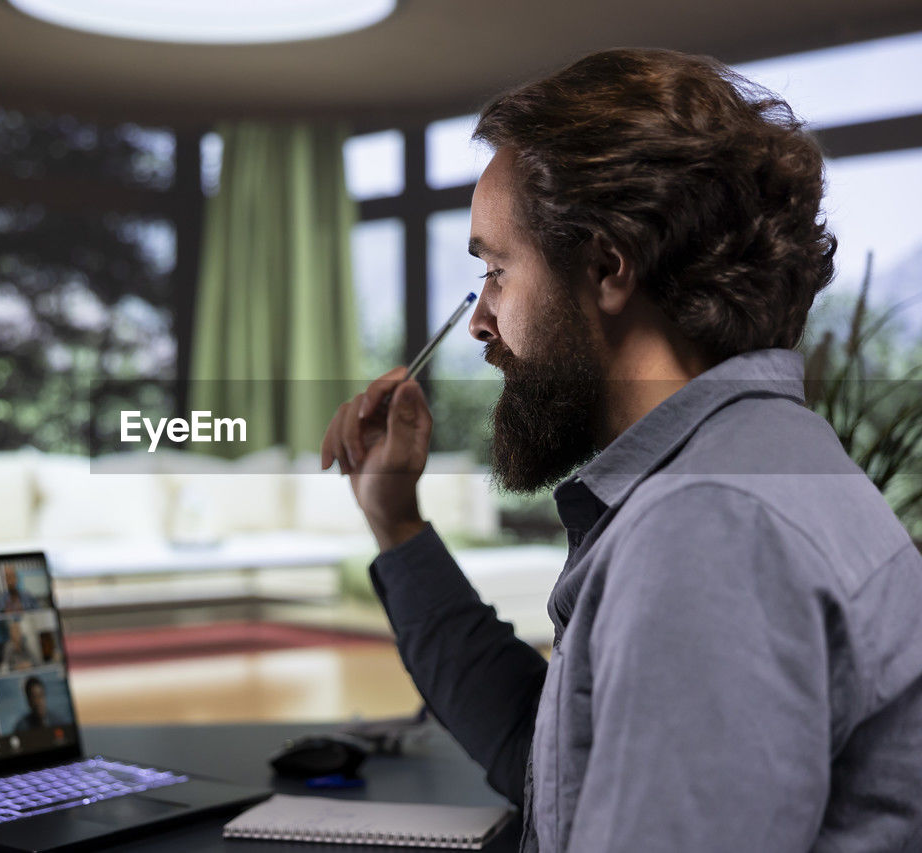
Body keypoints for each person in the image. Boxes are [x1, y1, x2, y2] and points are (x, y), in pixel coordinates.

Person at [321, 48, 922, 851]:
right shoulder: (755, 462)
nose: (478, 322)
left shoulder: (711, 529)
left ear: (606, 264)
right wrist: (396, 523)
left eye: (498, 270)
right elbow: (552, 759)